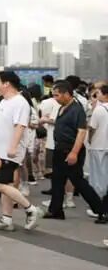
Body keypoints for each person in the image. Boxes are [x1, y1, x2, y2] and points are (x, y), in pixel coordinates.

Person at [0, 71, 44, 232]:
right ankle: (6, 219)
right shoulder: (4, 102)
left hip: (8, 152)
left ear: (7, 83)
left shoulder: (20, 102)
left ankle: (31, 209)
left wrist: (13, 147)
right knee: (6, 185)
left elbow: (20, 126)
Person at [44, 82, 107, 222]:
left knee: (78, 181)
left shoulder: (76, 109)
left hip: (71, 150)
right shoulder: (62, 107)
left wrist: (74, 152)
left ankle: (102, 210)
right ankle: (56, 210)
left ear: (66, 94)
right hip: (60, 149)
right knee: (57, 180)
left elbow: (81, 132)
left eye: (57, 95)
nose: (55, 98)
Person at [86, 85, 108, 214]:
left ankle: (98, 206)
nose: (96, 95)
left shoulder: (99, 110)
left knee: (98, 177)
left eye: (98, 93)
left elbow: (92, 128)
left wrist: (89, 139)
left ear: (105, 94)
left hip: (98, 145)